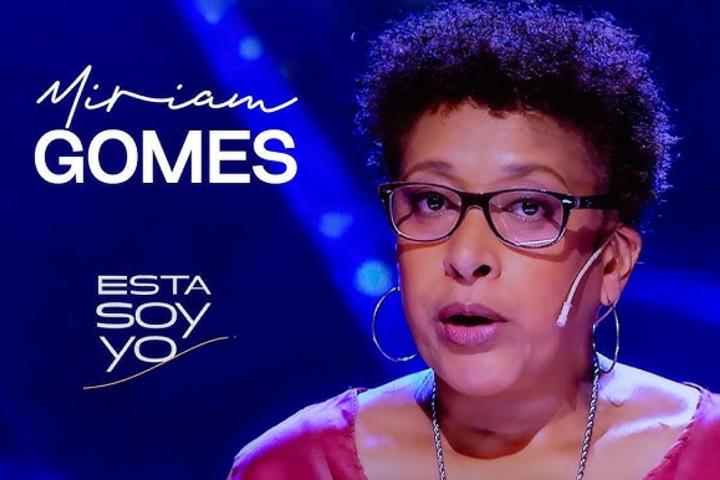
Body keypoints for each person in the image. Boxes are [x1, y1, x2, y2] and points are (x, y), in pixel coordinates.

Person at [226, 1, 720, 478]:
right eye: (432, 202)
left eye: (528, 207)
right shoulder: (293, 466)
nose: (465, 257)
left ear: (612, 263)